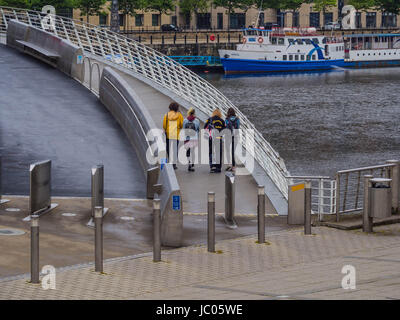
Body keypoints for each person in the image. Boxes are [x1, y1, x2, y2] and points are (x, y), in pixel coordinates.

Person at [163, 102, 183, 170]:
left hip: (168, 134)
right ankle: (174, 163)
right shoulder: (179, 115)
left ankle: (170, 160)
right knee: (175, 148)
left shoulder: (167, 115)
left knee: (168, 147)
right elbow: (181, 125)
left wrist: (166, 129)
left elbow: (164, 125)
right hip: (176, 134)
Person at [204, 108, 225, 173]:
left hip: (211, 138)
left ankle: (212, 166)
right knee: (219, 152)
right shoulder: (222, 120)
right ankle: (218, 167)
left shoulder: (209, 119)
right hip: (219, 138)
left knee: (211, 151)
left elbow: (205, 127)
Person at [225, 107, 240, 172]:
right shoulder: (237, 119)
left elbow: (225, 127)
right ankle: (234, 167)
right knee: (233, 151)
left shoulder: (226, 119)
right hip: (235, 136)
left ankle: (229, 164)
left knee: (228, 150)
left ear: (228, 113)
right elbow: (238, 127)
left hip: (228, 136)